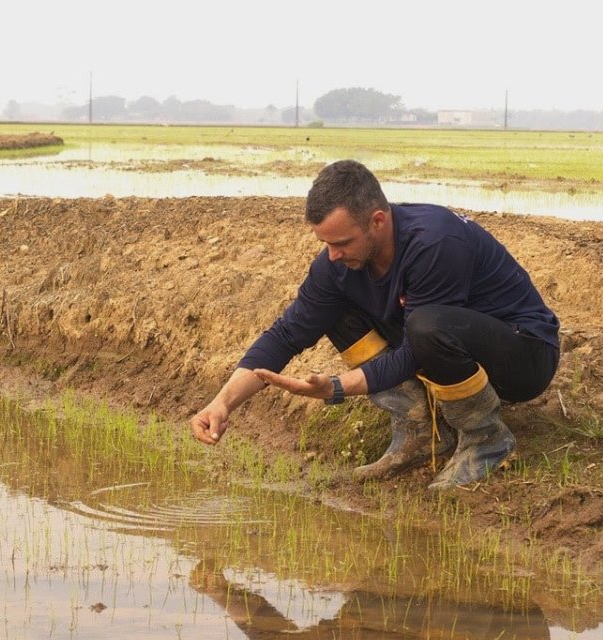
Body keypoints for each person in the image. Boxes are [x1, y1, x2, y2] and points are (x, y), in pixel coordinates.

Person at [190, 160, 560, 489]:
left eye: (342, 243)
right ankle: (419, 430)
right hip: (442, 345)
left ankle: (486, 438)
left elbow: (417, 348)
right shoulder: (336, 263)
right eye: (326, 244)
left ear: (377, 221)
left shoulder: (434, 242)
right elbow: (287, 334)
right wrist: (222, 404)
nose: (333, 255)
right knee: (338, 312)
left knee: (426, 326)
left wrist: (337, 388)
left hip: (523, 355)